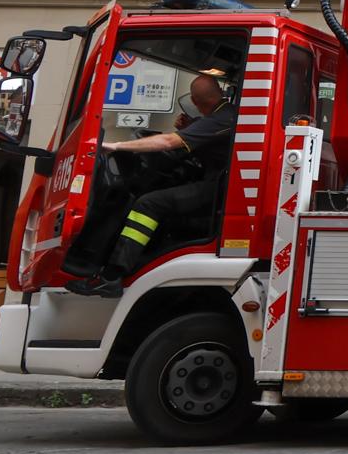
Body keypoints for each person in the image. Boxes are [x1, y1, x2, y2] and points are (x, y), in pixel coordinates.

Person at [62, 72, 237, 298]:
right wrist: (192, 126)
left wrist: (116, 146)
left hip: (218, 189)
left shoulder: (221, 118)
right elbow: (206, 136)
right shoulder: (223, 115)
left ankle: (113, 276)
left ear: (194, 101)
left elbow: (167, 142)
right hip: (222, 185)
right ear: (220, 93)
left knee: (148, 204)